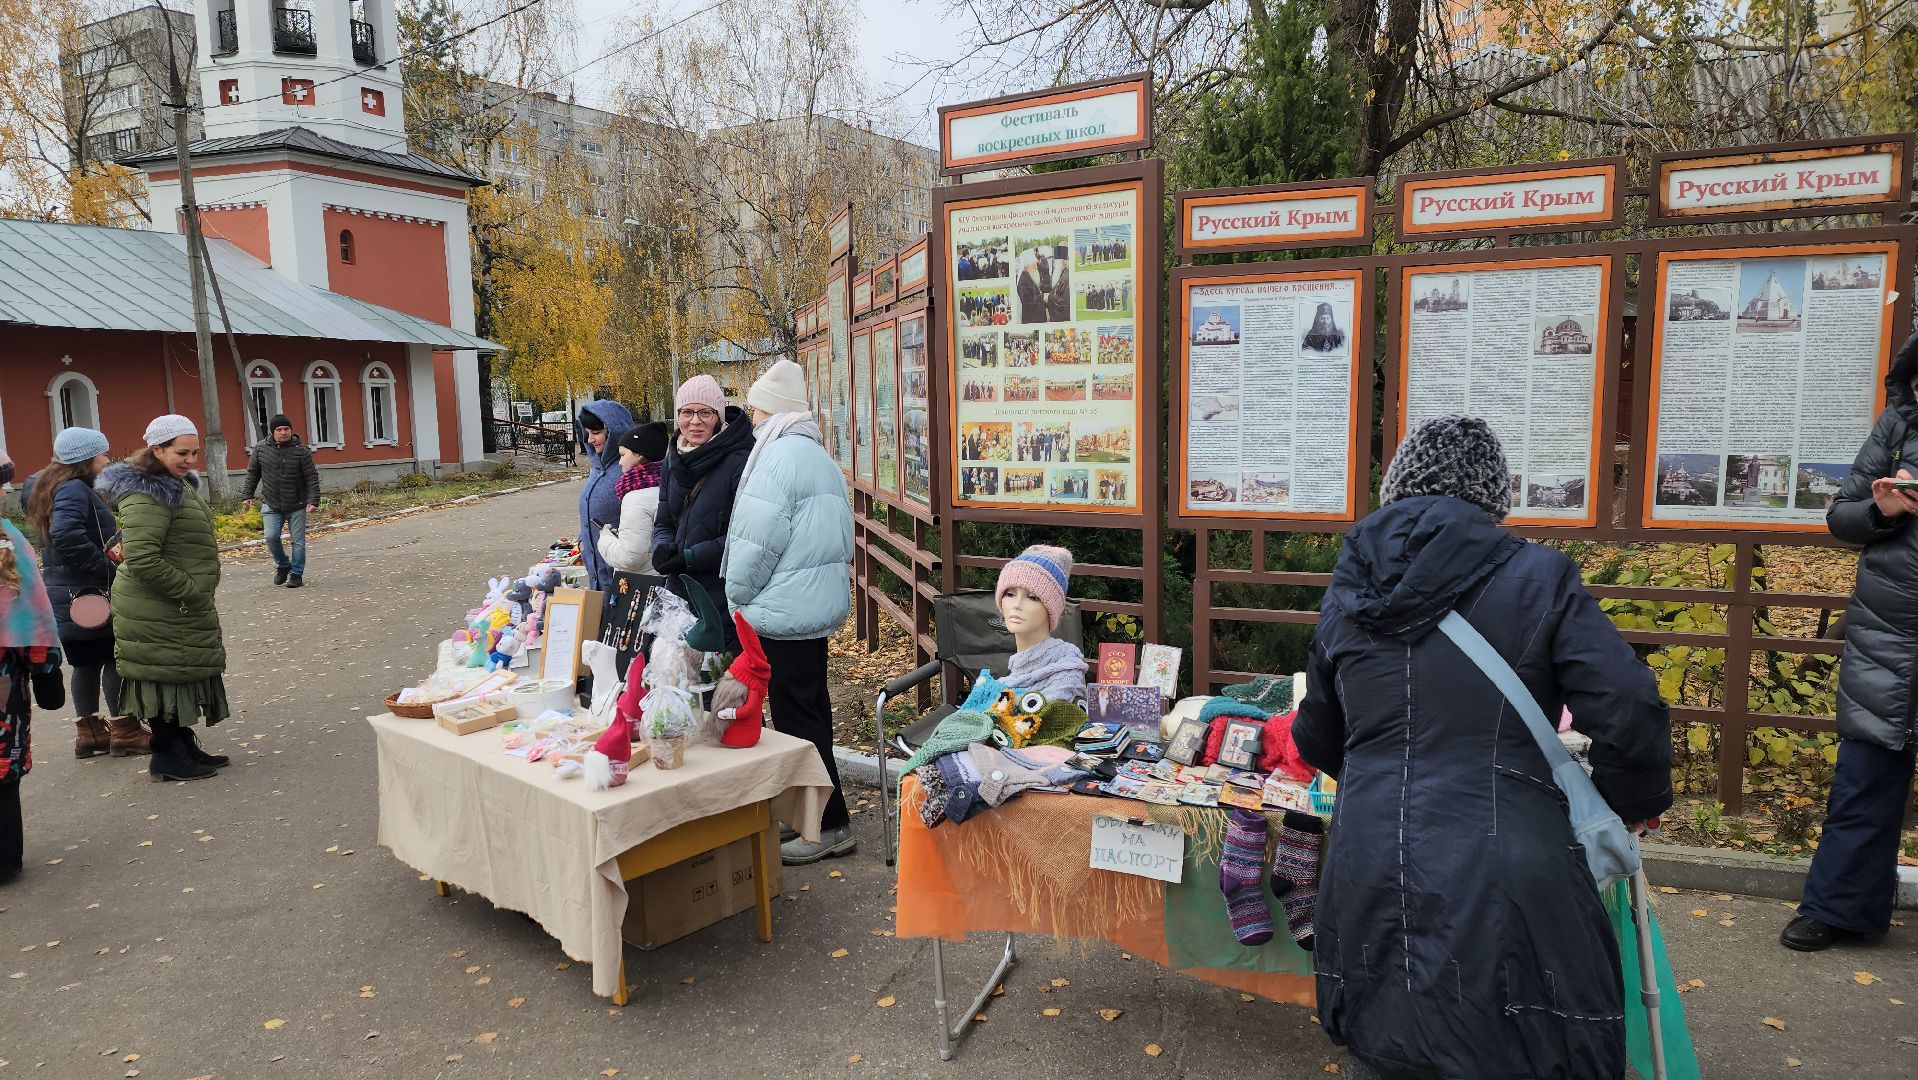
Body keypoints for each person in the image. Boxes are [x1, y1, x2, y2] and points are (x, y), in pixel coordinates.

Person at [1291, 414, 1672, 1080]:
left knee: (1390, 1043)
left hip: (1370, 853)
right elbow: (1629, 706)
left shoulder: (1350, 592)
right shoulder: (1539, 577)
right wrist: (1633, 798)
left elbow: (1319, 736)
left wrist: (1384, 771)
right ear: (1493, 498)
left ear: (1397, 487)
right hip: (1512, 856)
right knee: (1525, 1045)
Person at [1784, 332, 1918, 953]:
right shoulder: (1897, 424)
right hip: (1889, 633)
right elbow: (1840, 514)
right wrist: (1882, 509)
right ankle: (1837, 909)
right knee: (1867, 771)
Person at [722, 359, 856, 864]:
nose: (751, 420)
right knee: (810, 712)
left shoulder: (776, 459)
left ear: (773, 412)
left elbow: (756, 544)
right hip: (809, 610)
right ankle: (814, 816)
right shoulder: (816, 456)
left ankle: (829, 823)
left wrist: (736, 595)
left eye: (755, 409)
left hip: (779, 610)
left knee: (798, 721)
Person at [98, 416, 232, 784]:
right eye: (181, 452)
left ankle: (182, 746)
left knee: (177, 672)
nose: (191, 460)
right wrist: (190, 588)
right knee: (162, 677)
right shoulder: (147, 491)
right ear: (156, 450)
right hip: (157, 604)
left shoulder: (173, 484)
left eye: (194, 452)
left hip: (168, 603)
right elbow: (142, 559)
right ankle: (167, 756)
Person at [23, 427, 149, 758]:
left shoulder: (50, 485)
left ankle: (90, 733)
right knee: (111, 657)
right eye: (103, 455)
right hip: (89, 592)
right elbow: (65, 534)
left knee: (86, 662)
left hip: (70, 594)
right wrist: (106, 568)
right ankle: (125, 729)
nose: (107, 460)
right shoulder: (74, 489)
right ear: (87, 459)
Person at [0, 453, 67, 885]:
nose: (6, 489)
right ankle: (5, 858)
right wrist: (46, 670)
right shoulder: (6, 542)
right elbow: (30, 616)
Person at [652, 375, 752, 650]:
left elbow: (744, 537)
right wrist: (661, 548)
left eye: (705, 413)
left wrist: (690, 557)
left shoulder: (739, 462)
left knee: (717, 686)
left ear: (718, 416)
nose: (695, 422)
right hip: (679, 597)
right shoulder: (671, 459)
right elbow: (664, 520)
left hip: (721, 599)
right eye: (686, 412)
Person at [241, 414, 320, 588]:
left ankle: (296, 575)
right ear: (272, 432)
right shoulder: (261, 449)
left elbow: (311, 476)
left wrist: (313, 500)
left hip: (297, 503)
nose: (283, 432)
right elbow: (253, 473)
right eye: (279, 429)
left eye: (286, 429)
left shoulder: (301, 450)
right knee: (271, 537)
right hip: (271, 502)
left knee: (298, 542)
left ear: (291, 430)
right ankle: (283, 565)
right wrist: (247, 495)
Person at [575, 400, 636, 592]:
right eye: (588, 433)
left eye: (596, 433)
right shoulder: (597, 467)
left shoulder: (628, 469)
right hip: (597, 571)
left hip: (620, 575)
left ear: (613, 431)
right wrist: (582, 540)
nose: (590, 439)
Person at [595, 421, 669, 577]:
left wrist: (605, 539)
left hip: (643, 586)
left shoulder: (636, 497)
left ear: (639, 454)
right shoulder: (669, 485)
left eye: (623, 455)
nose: (620, 461)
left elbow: (630, 558)